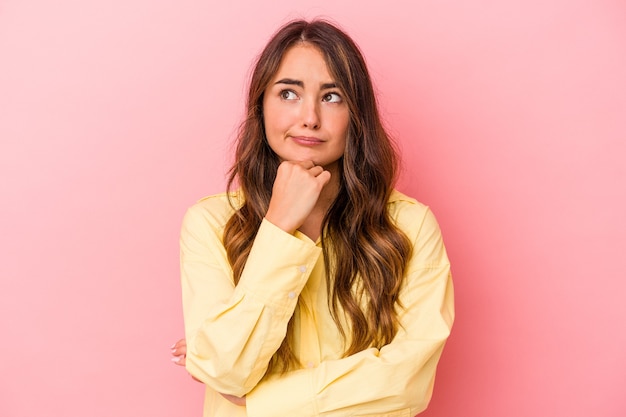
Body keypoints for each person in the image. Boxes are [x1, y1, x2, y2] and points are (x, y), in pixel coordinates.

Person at [171, 19, 454, 417]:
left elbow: (407, 383)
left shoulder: (410, 227)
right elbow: (228, 374)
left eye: (332, 97)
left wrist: (259, 402)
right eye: (288, 93)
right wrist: (278, 228)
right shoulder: (210, 224)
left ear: (357, 113)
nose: (310, 118)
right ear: (260, 105)